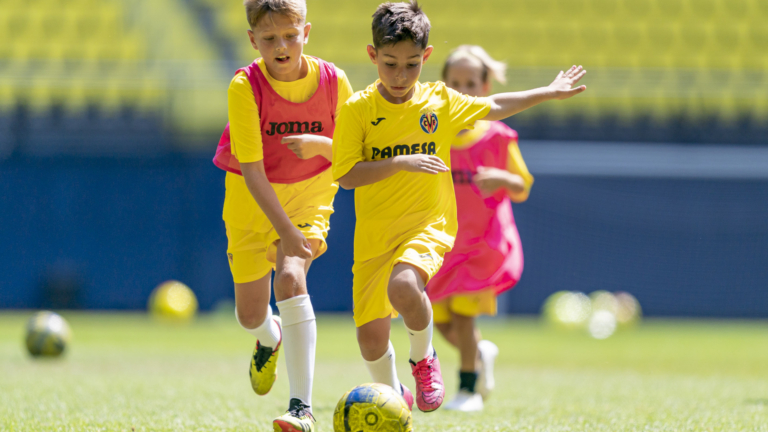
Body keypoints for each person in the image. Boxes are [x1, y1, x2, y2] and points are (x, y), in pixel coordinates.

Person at [332, 0, 586, 414]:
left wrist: (549, 92)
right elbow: (345, 175)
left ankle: (424, 359)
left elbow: (497, 106)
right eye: (390, 63)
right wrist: (400, 162)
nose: (401, 75)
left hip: (428, 225)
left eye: (412, 65)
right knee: (371, 341)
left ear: (426, 58)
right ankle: (396, 398)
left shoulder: (439, 101)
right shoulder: (357, 109)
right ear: (372, 55)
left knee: (404, 288)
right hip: (375, 237)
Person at [212, 0, 353, 430]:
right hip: (253, 204)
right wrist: (285, 230)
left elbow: (352, 151)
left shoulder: (334, 81)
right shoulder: (244, 87)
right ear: (253, 40)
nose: (281, 46)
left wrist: (321, 146)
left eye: (290, 35)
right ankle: (268, 338)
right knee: (250, 315)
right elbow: (253, 172)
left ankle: (301, 408)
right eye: (269, 39)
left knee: (291, 278)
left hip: (310, 198)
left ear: (306, 32)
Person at [427, 45, 533, 412]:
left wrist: (503, 178)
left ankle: (468, 389)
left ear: (486, 87)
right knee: (439, 322)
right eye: (455, 82)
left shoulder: (498, 137)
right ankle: (480, 352)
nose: (462, 90)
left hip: (481, 245)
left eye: (470, 83)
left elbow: (522, 187)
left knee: (463, 314)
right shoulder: (433, 133)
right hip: (443, 244)